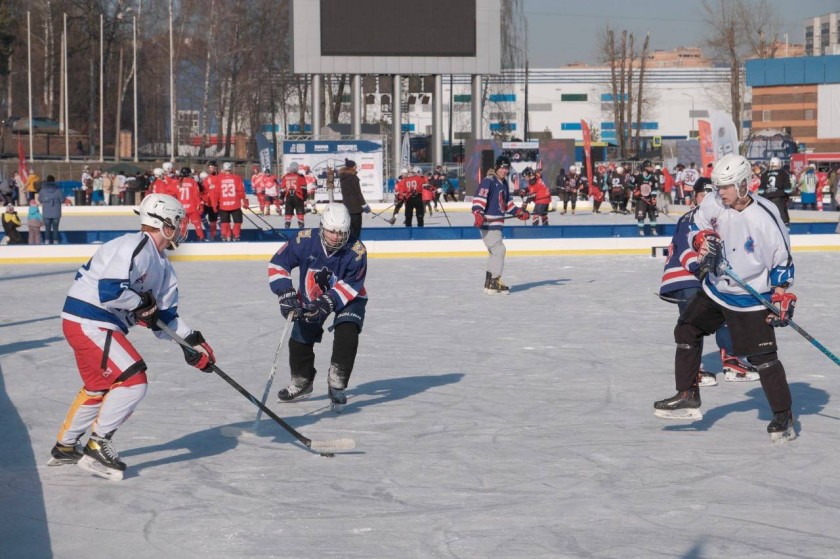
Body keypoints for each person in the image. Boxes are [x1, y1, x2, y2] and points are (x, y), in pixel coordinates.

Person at [50, 193, 218, 480]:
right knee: (133, 380)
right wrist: (141, 305)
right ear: (164, 222)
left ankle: (66, 447)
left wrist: (191, 343)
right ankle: (97, 445)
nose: (182, 228)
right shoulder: (135, 246)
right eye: (178, 222)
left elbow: (163, 317)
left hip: (94, 323)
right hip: (89, 320)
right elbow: (110, 291)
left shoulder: (163, 264)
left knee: (98, 386)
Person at [653, 154, 796, 443]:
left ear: (744, 184)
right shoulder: (715, 202)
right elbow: (696, 224)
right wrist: (702, 240)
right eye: (718, 187)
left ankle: (783, 415)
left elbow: (782, 263)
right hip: (716, 289)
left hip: (750, 297)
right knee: (686, 329)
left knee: (763, 358)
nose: (721, 193)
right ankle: (688, 394)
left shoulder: (765, 217)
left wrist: (781, 297)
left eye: (727, 187)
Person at [658, 177, 759, 386]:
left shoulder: (714, 217)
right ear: (694, 197)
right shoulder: (692, 217)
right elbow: (685, 249)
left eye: (709, 194)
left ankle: (730, 361)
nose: (705, 199)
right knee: (695, 324)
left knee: (723, 313)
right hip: (686, 277)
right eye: (701, 194)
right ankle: (695, 371)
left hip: (698, 278)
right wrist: (700, 269)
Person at [268, 203, 367, 411]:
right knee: (299, 341)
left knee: (347, 333)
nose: (335, 237)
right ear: (322, 227)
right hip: (311, 293)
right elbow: (278, 263)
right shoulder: (304, 240)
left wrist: (328, 302)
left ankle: (337, 383)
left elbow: (351, 283)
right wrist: (284, 292)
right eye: (331, 231)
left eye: (341, 233)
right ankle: (302, 380)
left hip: (349, 296)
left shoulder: (356, 251)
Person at [472, 154, 529, 294]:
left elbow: (507, 205)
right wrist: (478, 213)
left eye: (506, 168)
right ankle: (494, 281)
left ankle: (490, 282)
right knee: (499, 250)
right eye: (502, 168)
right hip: (488, 224)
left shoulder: (503, 183)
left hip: (497, 225)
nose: (504, 171)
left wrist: (519, 212)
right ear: (496, 167)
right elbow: (479, 198)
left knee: (494, 252)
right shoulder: (489, 181)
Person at [212, 162, 249, 241]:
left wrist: (215, 204)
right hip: (235, 204)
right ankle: (236, 235)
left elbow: (216, 193)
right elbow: (241, 191)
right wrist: (244, 199)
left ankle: (224, 235)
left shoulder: (219, 179)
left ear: (223, 169)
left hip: (223, 205)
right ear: (230, 169)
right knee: (238, 221)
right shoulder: (237, 178)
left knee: (224, 222)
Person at [338, 158, 370, 240]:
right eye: (355, 165)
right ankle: (354, 245)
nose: (356, 167)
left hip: (347, 206)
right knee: (356, 230)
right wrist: (364, 205)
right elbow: (357, 193)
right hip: (355, 208)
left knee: (349, 228)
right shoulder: (353, 177)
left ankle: (349, 244)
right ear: (352, 167)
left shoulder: (343, 177)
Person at [757, 157, 792, 227]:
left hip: (767, 197)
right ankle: (786, 227)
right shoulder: (783, 173)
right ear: (779, 164)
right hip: (779, 196)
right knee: (782, 213)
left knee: (768, 214)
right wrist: (787, 196)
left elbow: (760, 191)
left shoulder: (765, 174)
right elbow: (787, 189)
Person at [176, 167, 205, 242]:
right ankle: (201, 238)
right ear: (188, 174)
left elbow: (173, 193)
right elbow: (196, 195)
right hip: (192, 207)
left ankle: (181, 239)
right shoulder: (192, 182)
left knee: (183, 225)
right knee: (197, 224)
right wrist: (200, 205)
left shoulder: (177, 182)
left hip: (181, 208)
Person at [633, 160, 659, 236]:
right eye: (649, 166)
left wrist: (653, 197)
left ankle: (653, 230)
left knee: (653, 216)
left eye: (651, 166)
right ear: (644, 167)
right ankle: (641, 230)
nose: (651, 168)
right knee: (640, 216)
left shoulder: (653, 177)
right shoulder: (638, 176)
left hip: (650, 200)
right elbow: (631, 185)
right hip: (640, 200)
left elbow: (654, 188)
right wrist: (635, 191)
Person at [280, 162, 308, 230]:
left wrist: (281, 198)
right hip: (298, 197)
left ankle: (287, 230)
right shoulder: (300, 176)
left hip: (288, 197)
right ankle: (301, 230)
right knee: (300, 216)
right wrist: (304, 198)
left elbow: (283, 189)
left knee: (288, 217)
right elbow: (304, 188)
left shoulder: (285, 176)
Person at [38, 175, 63, 245]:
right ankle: (55, 241)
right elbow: (62, 199)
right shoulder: (58, 190)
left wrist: (46, 201)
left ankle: (47, 240)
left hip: (46, 212)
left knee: (47, 228)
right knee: (55, 228)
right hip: (56, 212)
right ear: (54, 181)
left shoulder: (43, 190)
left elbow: (39, 200)